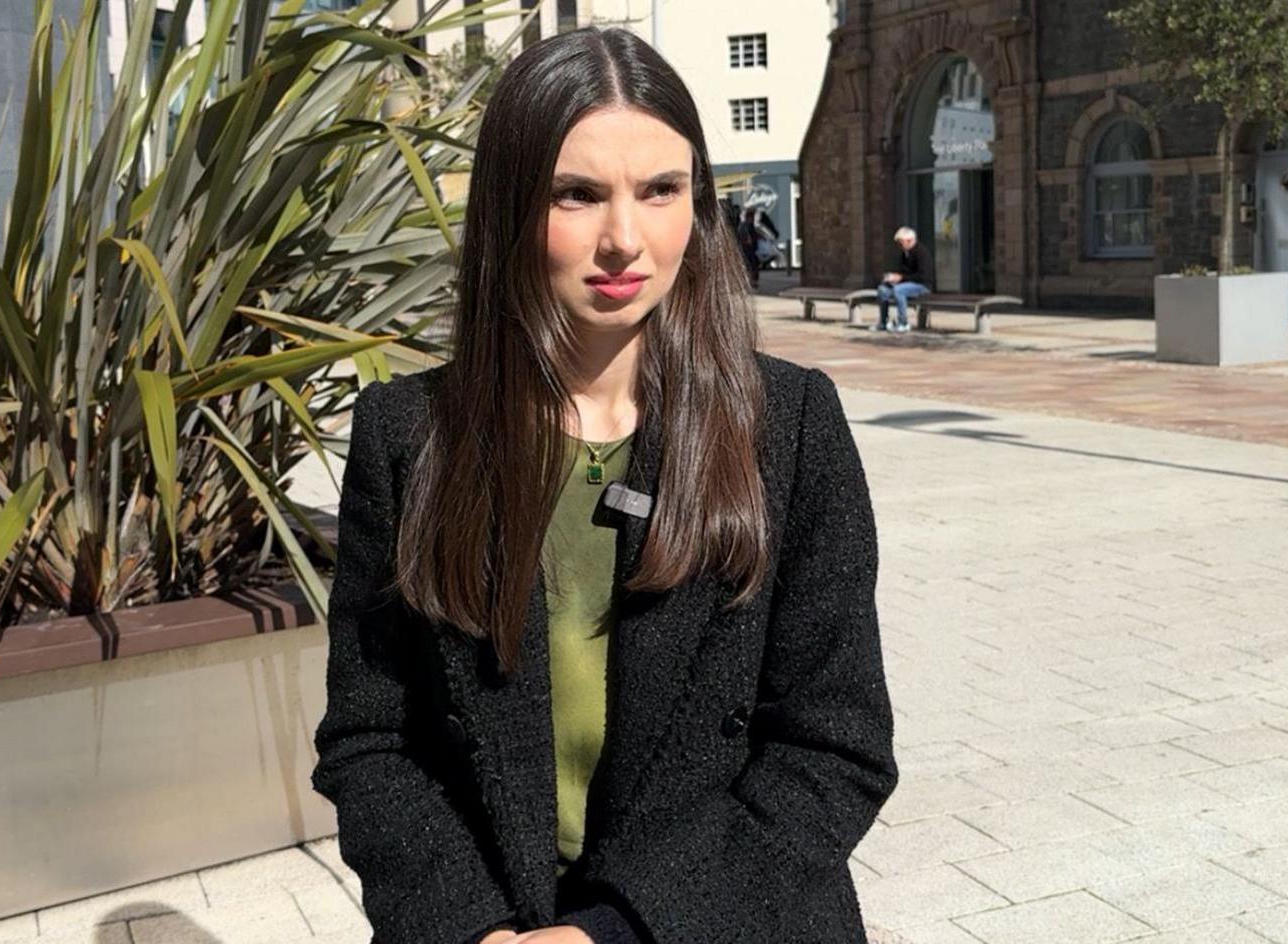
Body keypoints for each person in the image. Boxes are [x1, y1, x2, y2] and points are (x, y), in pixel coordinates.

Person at [310, 26, 897, 944]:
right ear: (509, 206)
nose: (625, 240)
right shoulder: (412, 436)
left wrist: (616, 931)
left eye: (660, 190)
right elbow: (374, 738)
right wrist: (470, 927)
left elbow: (833, 749)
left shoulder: (789, 426)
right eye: (577, 195)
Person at [871, 226, 933, 333]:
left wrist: (901, 278)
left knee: (899, 290)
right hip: (907, 283)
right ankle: (883, 322)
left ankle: (903, 323)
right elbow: (903, 272)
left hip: (922, 285)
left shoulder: (922, 253)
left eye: (901, 243)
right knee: (883, 289)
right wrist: (892, 277)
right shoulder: (905, 253)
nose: (899, 246)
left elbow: (923, 276)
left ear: (909, 241)